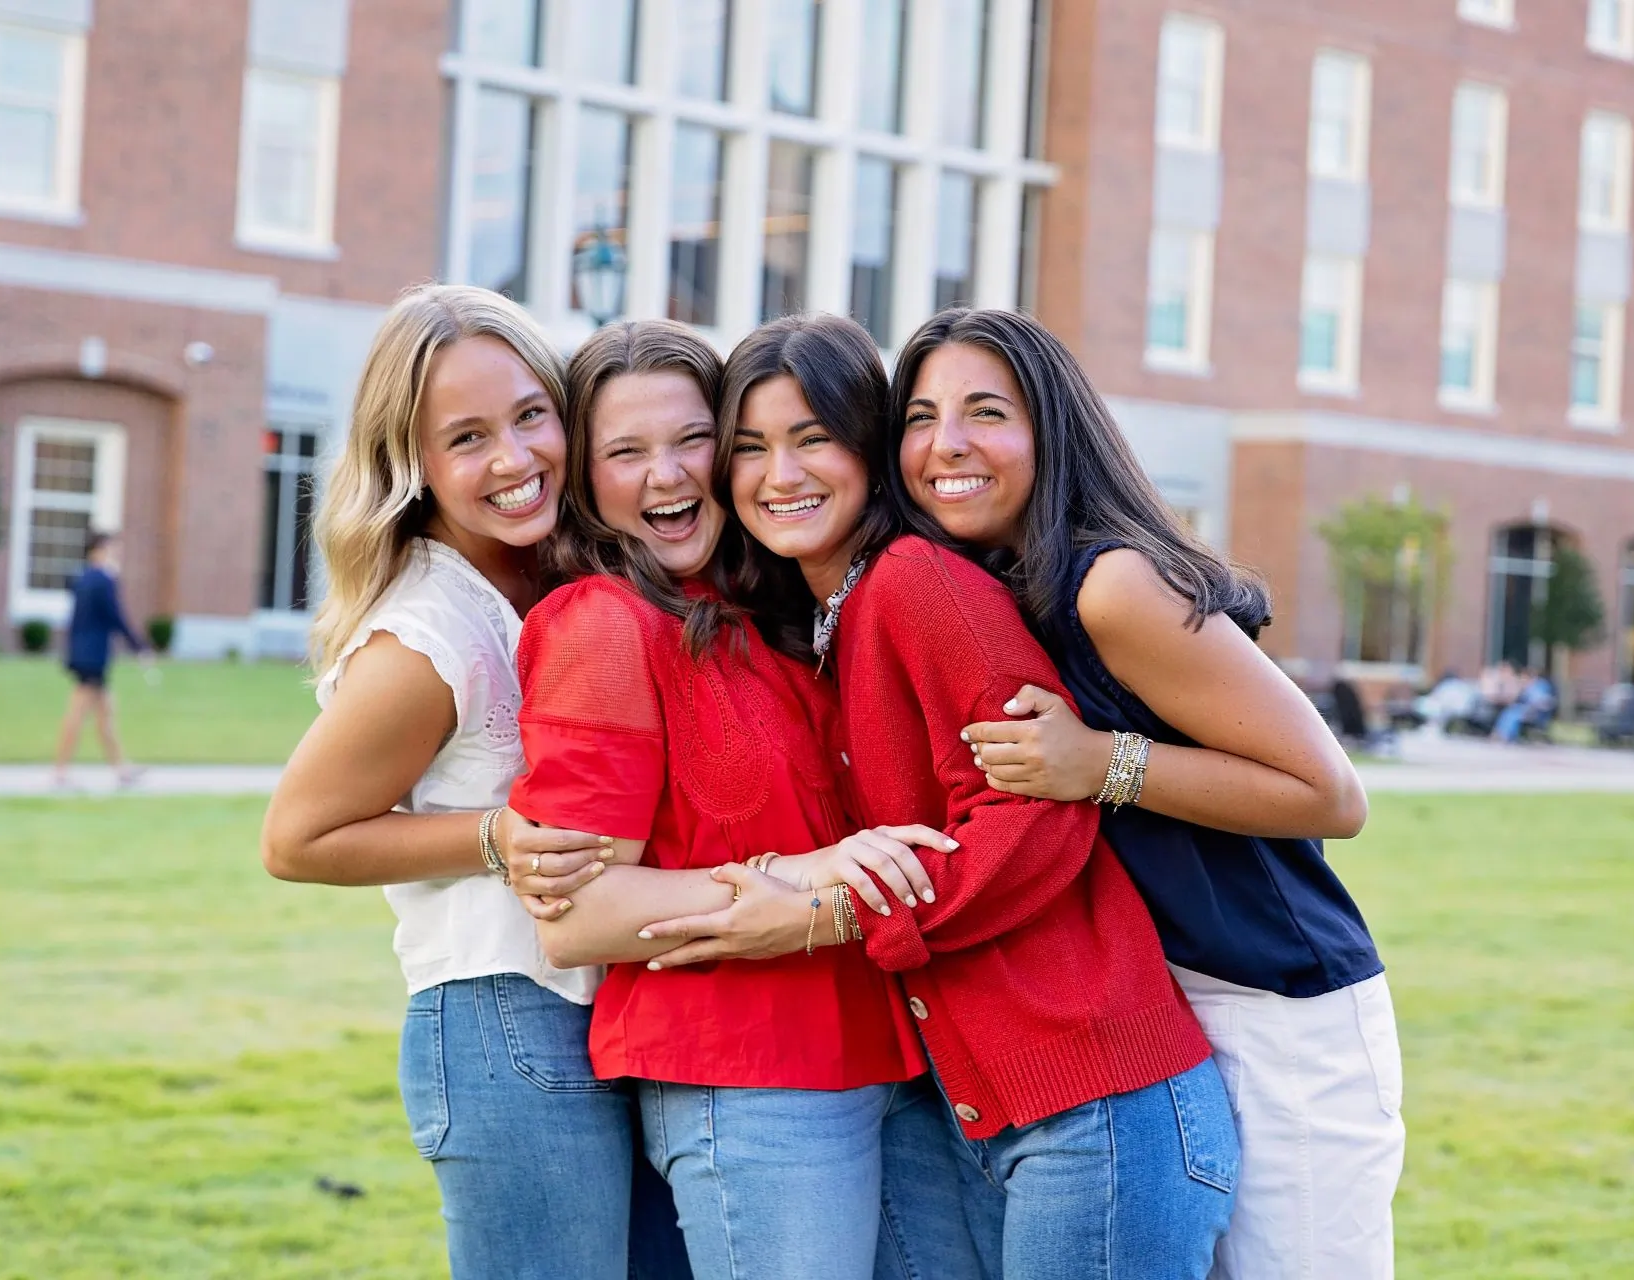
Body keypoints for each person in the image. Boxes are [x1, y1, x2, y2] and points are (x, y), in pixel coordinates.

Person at [639, 314, 1237, 1280]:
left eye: (812, 438)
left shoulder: (918, 584)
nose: (778, 474)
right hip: (971, 1110)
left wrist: (827, 919)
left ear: (870, 451)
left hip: (1095, 1109)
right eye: (749, 447)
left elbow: (1035, 814)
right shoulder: (823, 622)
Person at [889, 307, 1401, 1280]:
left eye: (984, 411)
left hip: (1276, 1012)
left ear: (1053, 430)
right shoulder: (988, 587)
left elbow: (1330, 792)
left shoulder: (1111, 584)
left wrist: (1102, 763)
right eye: (919, 415)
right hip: (1152, 1016)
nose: (944, 443)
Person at [502, 318, 983, 1280]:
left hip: (891, 1057)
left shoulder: (768, 622)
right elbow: (580, 914)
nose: (668, 476)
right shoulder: (601, 625)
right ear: (587, 481)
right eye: (625, 452)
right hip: (744, 1076)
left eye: (691, 441)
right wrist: (802, 883)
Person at [258, 285, 685, 1280]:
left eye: (531, 415)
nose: (514, 457)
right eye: (467, 437)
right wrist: (495, 833)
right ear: (414, 464)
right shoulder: (428, 635)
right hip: (505, 1020)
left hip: (618, 1010)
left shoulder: (565, 572)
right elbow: (296, 837)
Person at [53, 531, 147, 787]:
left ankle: (122, 770)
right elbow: (116, 617)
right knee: (77, 713)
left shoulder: (81, 578)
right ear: (98, 549)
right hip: (93, 656)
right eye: (112, 548)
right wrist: (139, 646)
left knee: (106, 713)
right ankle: (60, 771)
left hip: (81, 652)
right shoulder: (104, 580)